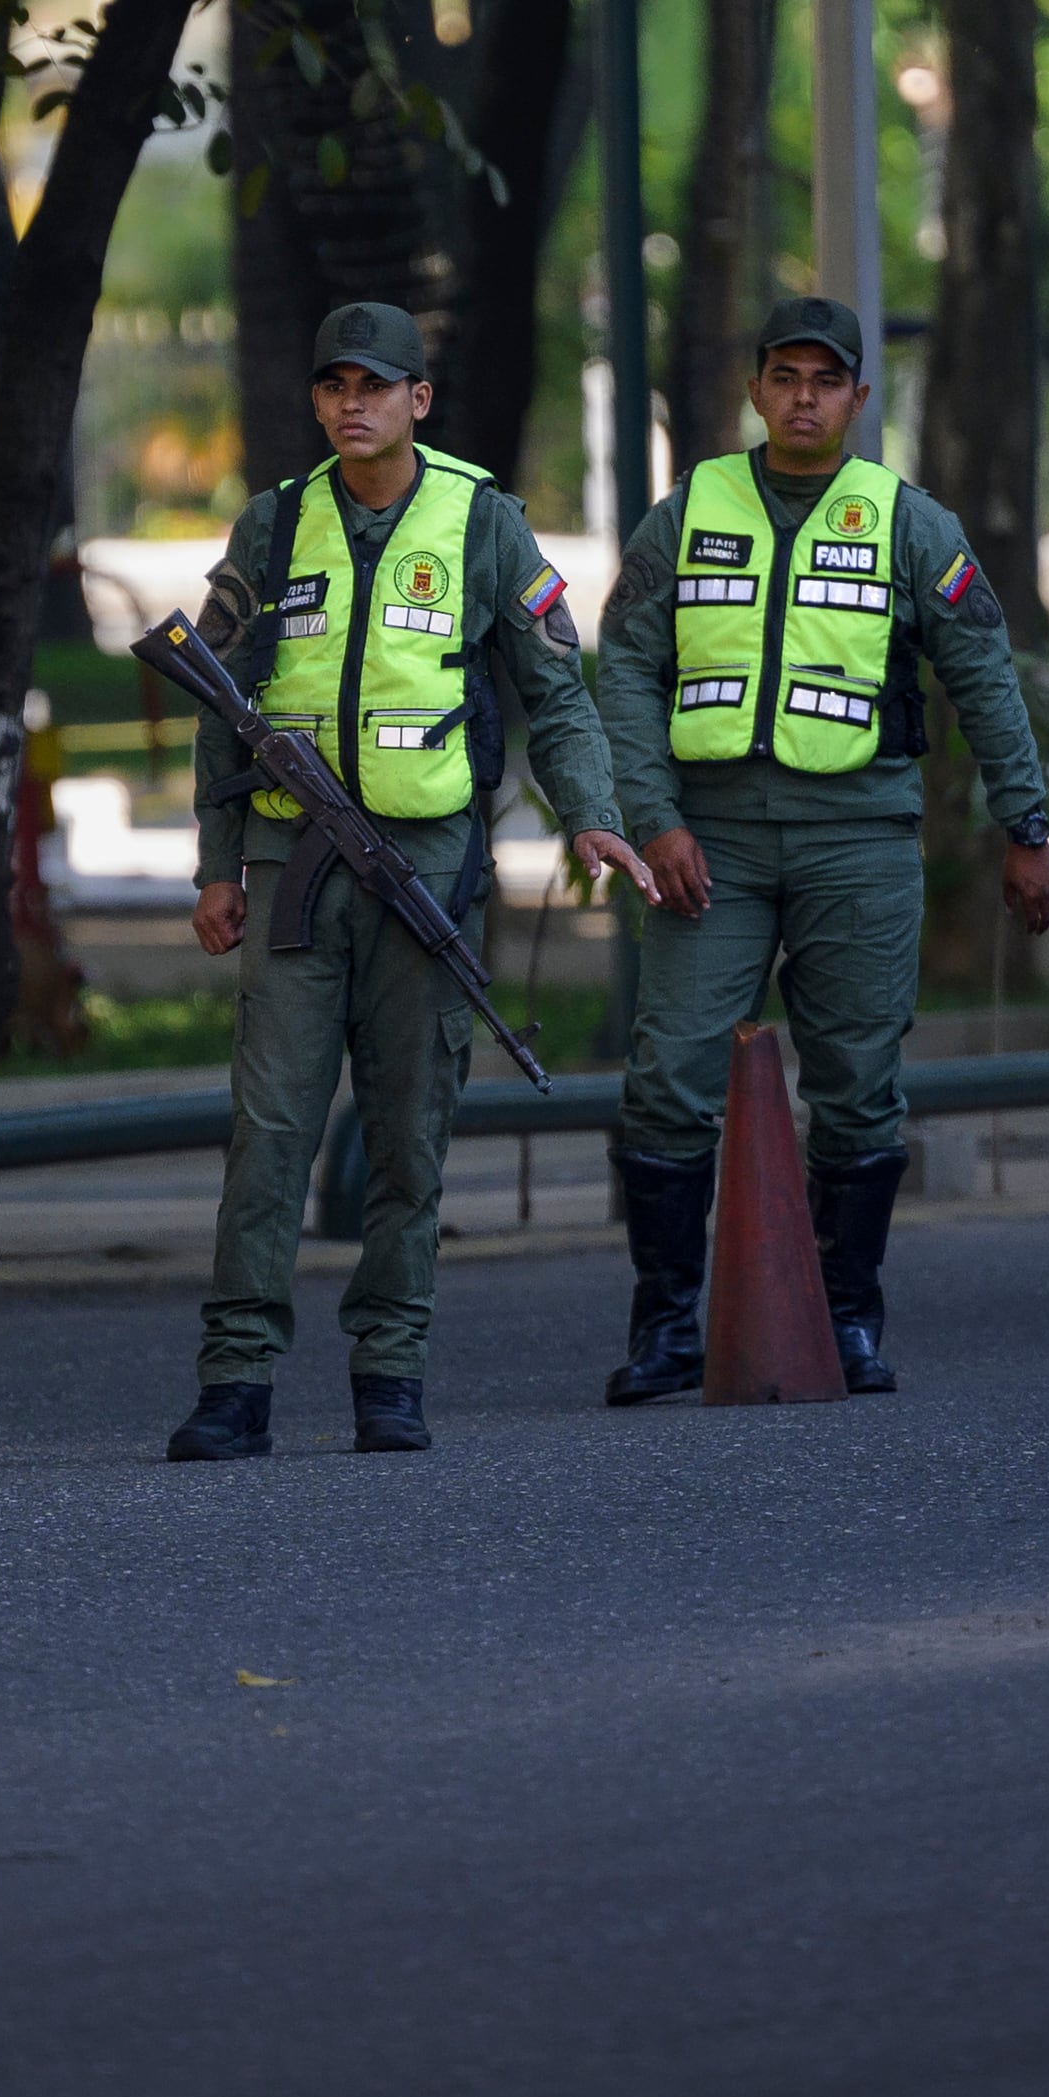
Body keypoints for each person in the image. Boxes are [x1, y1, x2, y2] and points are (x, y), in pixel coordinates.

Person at [171, 303, 655, 1462]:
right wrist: (214, 865)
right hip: (290, 858)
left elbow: (555, 692)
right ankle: (235, 1379)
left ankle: (389, 1370)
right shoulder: (275, 523)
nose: (353, 404)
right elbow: (214, 699)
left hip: (424, 867)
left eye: (376, 385)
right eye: (335, 384)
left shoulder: (482, 524)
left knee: (409, 1131)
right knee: (269, 1127)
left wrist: (591, 817)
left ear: (417, 401)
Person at [594, 296, 1049, 1400]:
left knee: (856, 1085)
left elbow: (983, 677)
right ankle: (665, 1328)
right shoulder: (686, 512)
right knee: (667, 1078)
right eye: (783, 377)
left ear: (857, 397)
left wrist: (1026, 829)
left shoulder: (906, 522)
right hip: (704, 843)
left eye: (825, 380)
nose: (802, 398)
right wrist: (651, 817)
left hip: (858, 840)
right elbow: (622, 669)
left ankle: (844, 1317)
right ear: (756, 390)